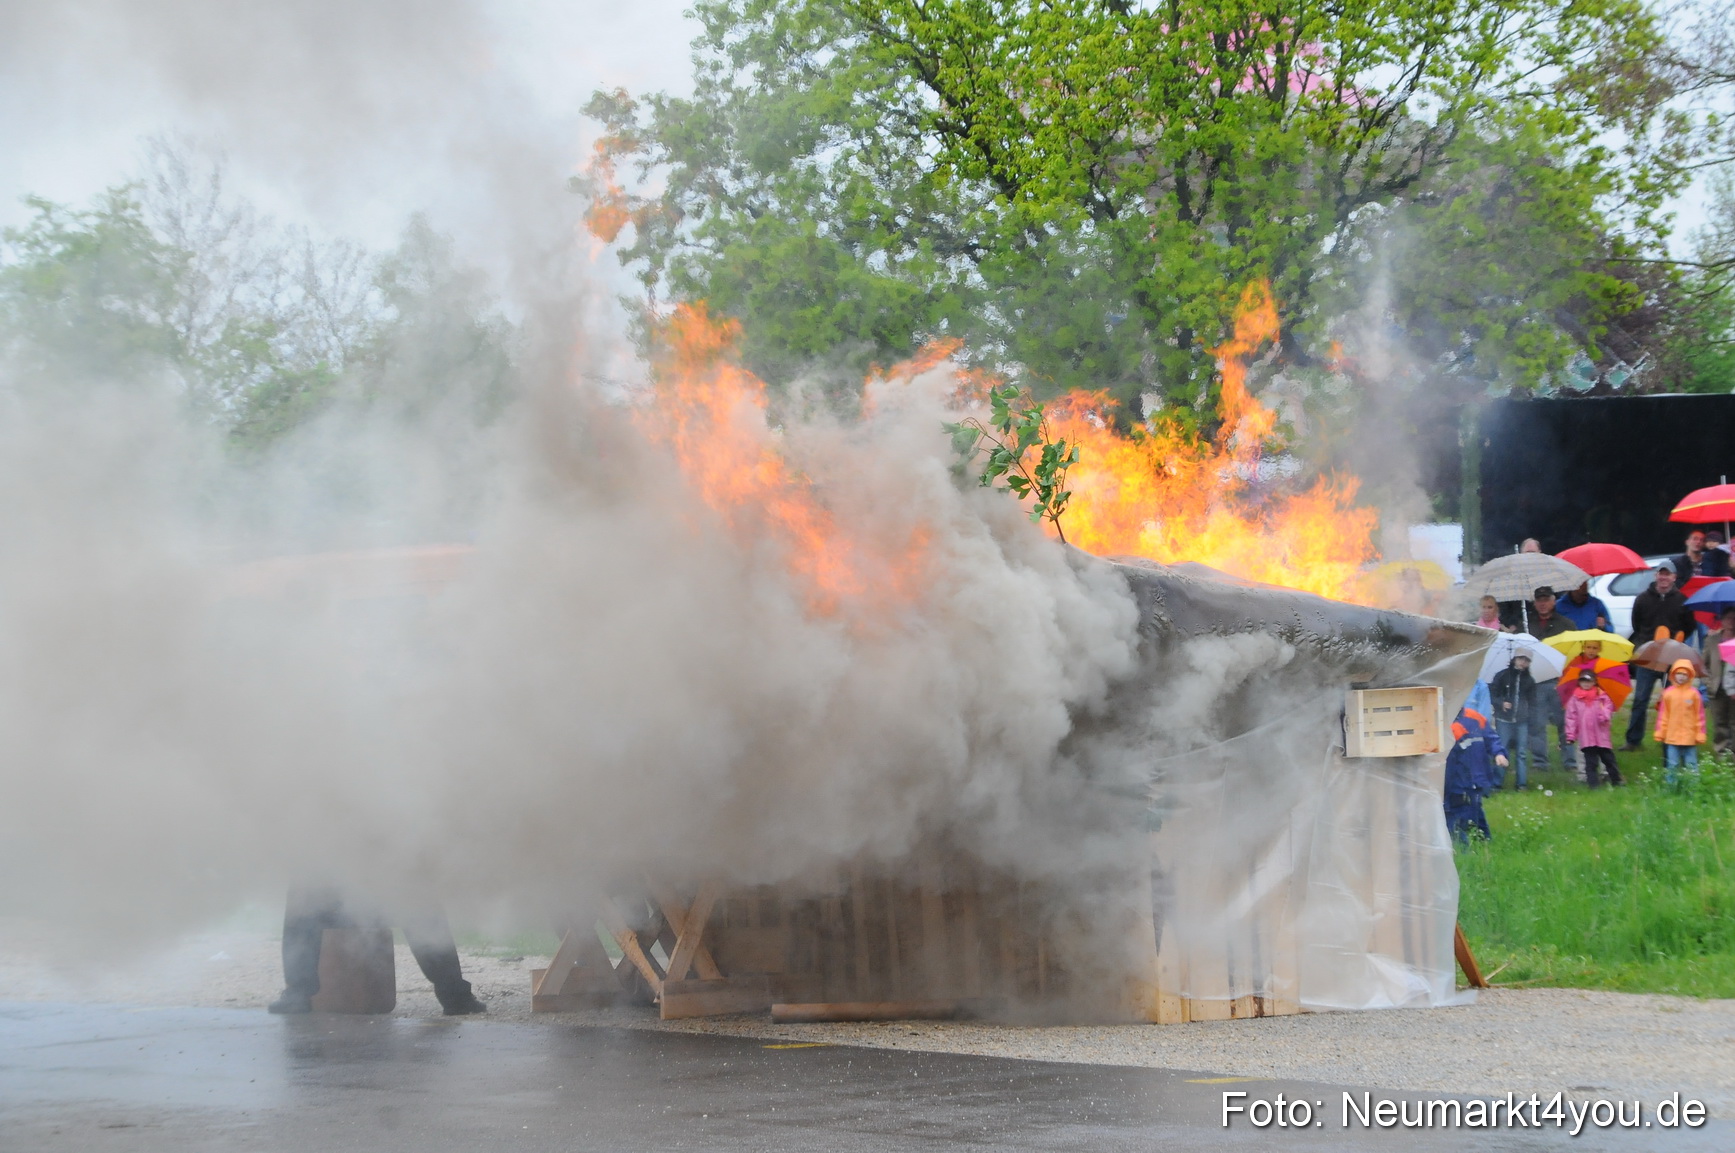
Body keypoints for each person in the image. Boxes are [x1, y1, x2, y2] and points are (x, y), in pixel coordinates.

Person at [268, 886, 487, 1016]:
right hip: (340, 903)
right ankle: (298, 993)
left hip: (386, 898)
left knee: (419, 896)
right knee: (304, 892)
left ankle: (455, 996)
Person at [1623, 565, 1693, 750]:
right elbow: (1636, 625)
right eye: (1661, 574)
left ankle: (1672, 738)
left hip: (1673, 659)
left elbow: (1689, 626)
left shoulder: (1682, 600)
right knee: (1640, 699)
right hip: (1647, 656)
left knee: (1673, 700)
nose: (1664, 578)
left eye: (1667, 574)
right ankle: (1633, 740)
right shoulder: (1642, 599)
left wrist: (1677, 641)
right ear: (1656, 576)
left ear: (1674, 577)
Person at [1444, 703, 1507, 844]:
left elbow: (1491, 738)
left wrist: (1499, 753)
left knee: (1473, 811)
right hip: (1457, 782)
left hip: (1475, 778)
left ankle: (1479, 842)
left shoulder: (1475, 717)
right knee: (1460, 814)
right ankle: (1472, 844)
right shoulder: (1444, 724)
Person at [1524, 587, 1573, 768]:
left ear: (1553, 601)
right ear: (1534, 603)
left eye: (1546, 599)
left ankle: (1570, 761)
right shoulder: (1526, 625)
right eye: (1539, 600)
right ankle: (1540, 761)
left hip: (1560, 681)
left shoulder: (1567, 625)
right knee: (1536, 723)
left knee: (1565, 723)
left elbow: (1573, 654)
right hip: (1535, 681)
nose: (1542, 604)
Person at [1564, 668, 1622, 787]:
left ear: (1594, 682)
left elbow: (1608, 709)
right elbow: (1571, 718)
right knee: (1590, 762)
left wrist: (1603, 715)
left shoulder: (1602, 696)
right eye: (1583, 681)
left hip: (1601, 736)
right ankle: (1593, 785)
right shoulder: (1575, 699)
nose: (1586, 683)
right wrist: (1571, 735)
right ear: (1579, 682)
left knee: (1608, 760)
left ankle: (1616, 781)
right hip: (1586, 737)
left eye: (1589, 681)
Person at [1654, 658, 1707, 784]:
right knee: (1672, 764)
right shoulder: (1668, 694)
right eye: (1678, 673)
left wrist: (1700, 733)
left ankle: (1693, 787)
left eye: (1684, 674)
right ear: (1673, 674)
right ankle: (1671, 787)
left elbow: (1699, 716)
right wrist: (1661, 731)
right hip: (1672, 737)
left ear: (1690, 675)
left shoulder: (1694, 694)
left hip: (1690, 737)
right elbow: (1663, 715)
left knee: (1691, 764)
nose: (1681, 677)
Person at [1489, 653, 1536, 789]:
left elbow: (1533, 701)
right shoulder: (1502, 675)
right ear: (1514, 659)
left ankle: (1521, 784)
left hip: (1522, 721)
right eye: (1521, 659)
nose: (1523, 662)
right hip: (1503, 719)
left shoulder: (1529, 680)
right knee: (1501, 750)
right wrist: (1501, 703)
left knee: (1521, 753)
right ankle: (1497, 783)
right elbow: (1492, 694)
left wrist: (1530, 717)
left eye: (1526, 660)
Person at [1705, 606, 1735, 756]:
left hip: (1733, 687)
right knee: (1719, 722)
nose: (1731, 621)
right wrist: (1708, 682)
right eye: (1728, 618)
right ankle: (1721, 752)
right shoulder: (1712, 640)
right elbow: (1704, 665)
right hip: (1716, 687)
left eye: (1734, 618)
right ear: (1722, 620)